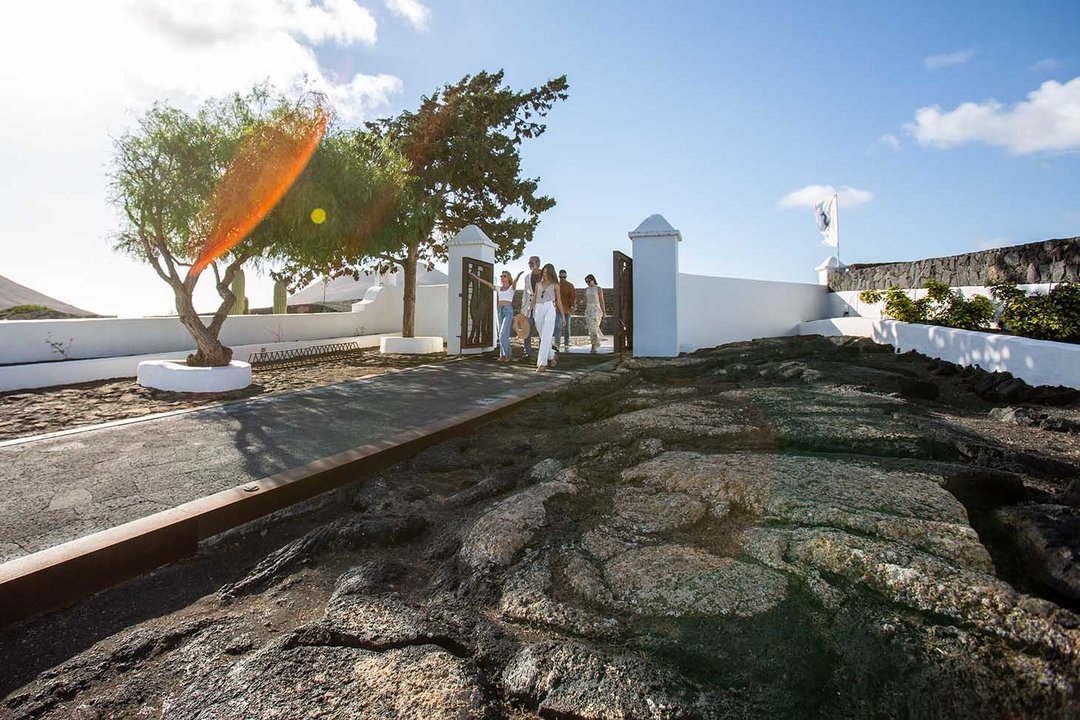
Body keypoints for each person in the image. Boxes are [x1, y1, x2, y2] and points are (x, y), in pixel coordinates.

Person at [469, 269, 524, 362]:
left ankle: (507, 355)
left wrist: (518, 275)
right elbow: (487, 284)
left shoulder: (511, 288)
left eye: (504, 276)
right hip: (499, 311)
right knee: (502, 334)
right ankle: (503, 355)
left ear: (508, 278)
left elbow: (515, 282)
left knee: (503, 333)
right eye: (501, 276)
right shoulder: (499, 288)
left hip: (508, 311)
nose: (502, 277)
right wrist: (476, 278)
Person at [527, 264, 566, 372]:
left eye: (546, 273)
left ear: (551, 273)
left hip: (550, 307)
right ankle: (552, 355)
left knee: (546, 334)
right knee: (543, 336)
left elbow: (559, 301)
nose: (544, 275)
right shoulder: (538, 284)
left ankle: (541, 364)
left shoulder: (555, 285)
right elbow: (534, 298)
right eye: (543, 273)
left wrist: (563, 317)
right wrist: (528, 310)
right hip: (538, 308)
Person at [521, 256, 543, 358]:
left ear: (537, 263)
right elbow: (525, 293)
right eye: (529, 262)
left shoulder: (544, 276)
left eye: (531, 262)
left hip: (541, 306)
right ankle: (527, 352)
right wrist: (523, 308)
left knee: (541, 331)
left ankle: (542, 353)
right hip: (529, 307)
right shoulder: (527, 277)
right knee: (526, 330)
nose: (529, 264)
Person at [584, 273, 606, 353]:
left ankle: (594, 346)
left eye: (589, 281)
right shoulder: (586, 289)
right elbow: (586, 300)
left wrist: (604, 311)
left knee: (594, 328)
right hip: (589, 309)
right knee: (591, 329)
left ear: (593, 280)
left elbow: (601, 300)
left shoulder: (598, 289)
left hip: (596, 309)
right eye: (586, 282)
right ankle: (594, 345)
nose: (588, 283)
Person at [557, 269, 575, 351]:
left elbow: (573, 297)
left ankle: (567, 343)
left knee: (567, 328)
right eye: (561, 277)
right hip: (557, 309)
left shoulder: (570, 285)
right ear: (559, 276)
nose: (563, 278)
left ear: (566, 276)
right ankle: (557, 343)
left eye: (564, 277)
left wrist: (572, 306)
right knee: (558, 326)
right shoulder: (556, 285)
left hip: (567, 309)